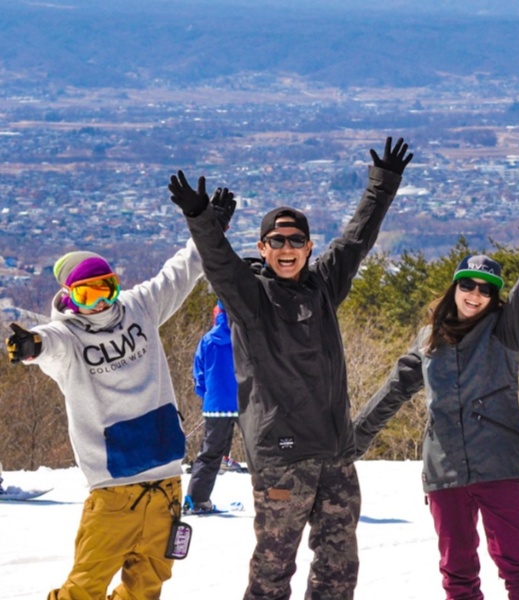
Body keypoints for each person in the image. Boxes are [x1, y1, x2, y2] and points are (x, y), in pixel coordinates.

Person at [169, 136, 413, 599]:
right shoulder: (250, 298)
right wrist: (200, 219)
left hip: (336, 452)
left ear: (308, 246)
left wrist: (383, 185)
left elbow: (357, 239)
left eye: (296, 240)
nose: (287, 248)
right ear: (262, 247)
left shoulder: (323, 286)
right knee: (273, 569)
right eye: (277, 241)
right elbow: (219, 263)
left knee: (339, 568)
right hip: (282, 458)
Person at [353, 204, 519, 600]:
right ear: (455, 287)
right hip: (445, 470)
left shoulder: (505, 330)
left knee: (517, 564)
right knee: (457, 572)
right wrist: (353, 439)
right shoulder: (427, 339)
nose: (476, 294)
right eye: (468, 284)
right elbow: (393, 389)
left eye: (486, 289)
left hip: (499, 464)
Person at [4, 188, 235, 599]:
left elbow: (181, 270)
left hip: (165, 483)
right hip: (113, 491)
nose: (99, 303)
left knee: (146, 586)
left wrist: (207, 226)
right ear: (71, 299)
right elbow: (48, 342)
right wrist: (31, 346)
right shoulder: (70, 339)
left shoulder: (139, 308)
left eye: (105, 289)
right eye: (87, 294)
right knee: (84, 589)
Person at [184, 300, 242, 514]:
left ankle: (196, 500)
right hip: (246, 402)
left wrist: (206, 395)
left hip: (216, 405)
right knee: (261, 451)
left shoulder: (207, 340)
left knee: (209, 453)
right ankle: (276, 498)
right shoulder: (246, 337)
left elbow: (199, 373)